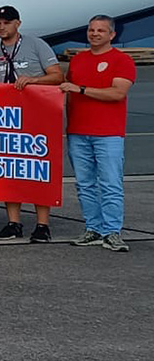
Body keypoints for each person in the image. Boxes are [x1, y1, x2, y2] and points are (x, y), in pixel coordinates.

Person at [0, 4, 63, 242]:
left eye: (7, 22)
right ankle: (13, 222)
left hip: (38, 117)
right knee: (10, 170)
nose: (2, 27)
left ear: (17, 23)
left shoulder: (36, 44)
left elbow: (58, 76)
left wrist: (34, 80)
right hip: (8, 121)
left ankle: (42, 225)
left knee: (38, 169)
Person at [62, 15, 135, 252]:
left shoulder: (121, 60)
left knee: (111, 183)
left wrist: (81, 89)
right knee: (85, 184)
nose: (95, 34)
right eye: (91, 30)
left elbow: (117, 93)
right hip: (78, 131)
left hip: (108, 133)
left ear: (112, 35)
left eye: (101, 30)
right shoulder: (78, 60)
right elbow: (65, 91)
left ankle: (112, 231)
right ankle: (93, 228)